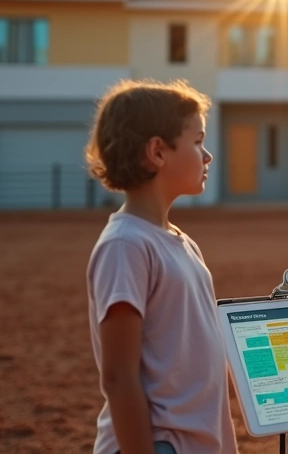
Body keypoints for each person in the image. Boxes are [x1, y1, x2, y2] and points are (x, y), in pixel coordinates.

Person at [84, 79, 238, 454]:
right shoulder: (125, 245)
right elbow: (119, 377)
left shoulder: (181, 241)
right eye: (197, 141)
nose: (207, 156)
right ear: (157, 152)